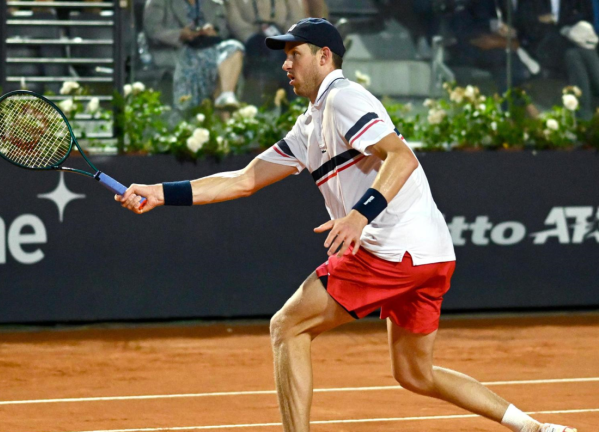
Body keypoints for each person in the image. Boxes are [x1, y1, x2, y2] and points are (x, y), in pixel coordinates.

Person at [117, 18, 578, 432]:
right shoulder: (311, 123)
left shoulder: (344, 98)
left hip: (390, 250)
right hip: (430, 254)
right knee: (416, 374)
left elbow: (401, 156)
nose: (286, 65)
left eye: (294, 55)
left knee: (287, 327)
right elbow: (242, 181)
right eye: (284, 57)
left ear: (324, 57)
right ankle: (534, 428)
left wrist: (360, 216)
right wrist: (159, 192)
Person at [143, 0, 245, 110]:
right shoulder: (159, 2)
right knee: (207, 63)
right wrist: (180, 34)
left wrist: (213, 32)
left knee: (234, 47)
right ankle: (216, 111)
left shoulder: (214, 2)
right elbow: (153, 31)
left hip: (209, 46)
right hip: (177, 50)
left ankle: (226, 96)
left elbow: (222, 30)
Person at [516, 0, 599, 119]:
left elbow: (585, 18)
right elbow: (525, 24)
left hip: (572, 46)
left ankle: (584, 115)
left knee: (575, 55)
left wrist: (562, 24)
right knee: (578, 53)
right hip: (544, 46)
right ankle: (585, 116)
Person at [225, 0, 304, 101]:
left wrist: (287, 37)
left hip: (282, 37)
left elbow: (296, 18)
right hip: (249, 40)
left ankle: (293, 103)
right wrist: (251, 38)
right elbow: (234, 20)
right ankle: (261, 102)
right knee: (263, 53)